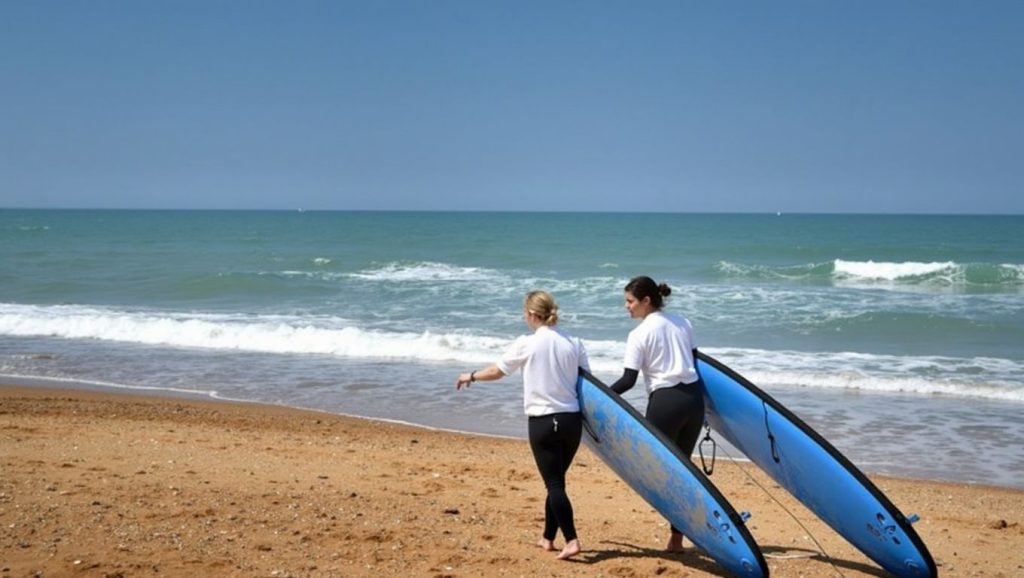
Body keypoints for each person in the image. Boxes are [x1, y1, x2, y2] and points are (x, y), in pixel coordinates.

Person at [455, 290, 589, 561]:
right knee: (556, 481)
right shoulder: (574, 342)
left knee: (554, 483)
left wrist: (471, 376)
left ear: (531, 314)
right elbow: (586, 382)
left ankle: (572, 540)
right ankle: (548, 537)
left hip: (542, 421)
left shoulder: (527, 343)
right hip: (571, 421)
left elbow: (498, 371)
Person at [609, 275, 705, 553]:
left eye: (630, 302)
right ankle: (677, 538)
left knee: (653, 469)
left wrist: (598, 396)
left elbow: (628, 381)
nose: (626, 307)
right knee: (682, 470)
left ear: (646, 301)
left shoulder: (639, 334)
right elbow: (697, 362)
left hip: (666, 401)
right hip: (693, 401)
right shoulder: (682, 322)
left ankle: (679, 532)